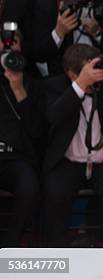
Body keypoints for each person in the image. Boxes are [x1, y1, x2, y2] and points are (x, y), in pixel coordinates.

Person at [42, 44, 103, 247]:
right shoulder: (54, 86)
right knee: (54, 191)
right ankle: (56, 253)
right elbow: (53, 116)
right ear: (71, 73)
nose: (94, 76)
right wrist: (79, 85)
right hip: (69, 160)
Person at [0, 28, 45, 247]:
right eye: (2, 43)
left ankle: (9, 245)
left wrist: (18, 90)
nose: (7, 47)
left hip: (17, 157)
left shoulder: (33, 84)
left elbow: (37, 130)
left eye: (13, 43)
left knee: (29, 187)